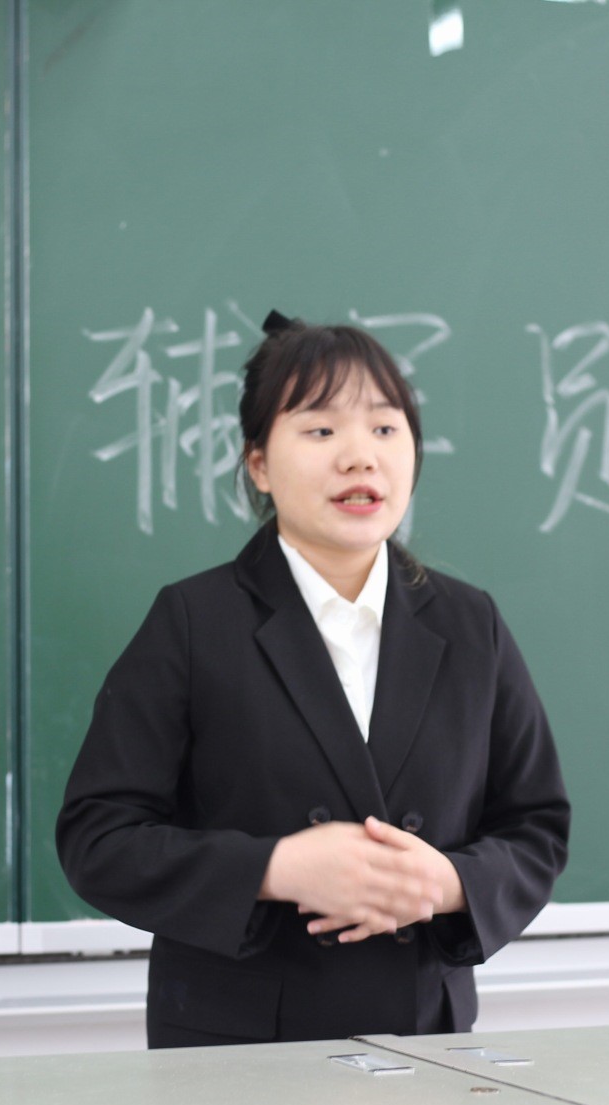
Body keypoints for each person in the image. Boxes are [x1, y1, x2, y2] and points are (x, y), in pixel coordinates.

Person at [57, 311, 570, 1048]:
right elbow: (100, 839)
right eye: (321, 430)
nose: (360, 457)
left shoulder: (470, 624)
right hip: (238, 1053)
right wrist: (275, 868)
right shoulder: (194, 621)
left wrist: (449, 885)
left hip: (425, 1045)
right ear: (259, 465)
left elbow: (535, 828)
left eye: (385, 428)